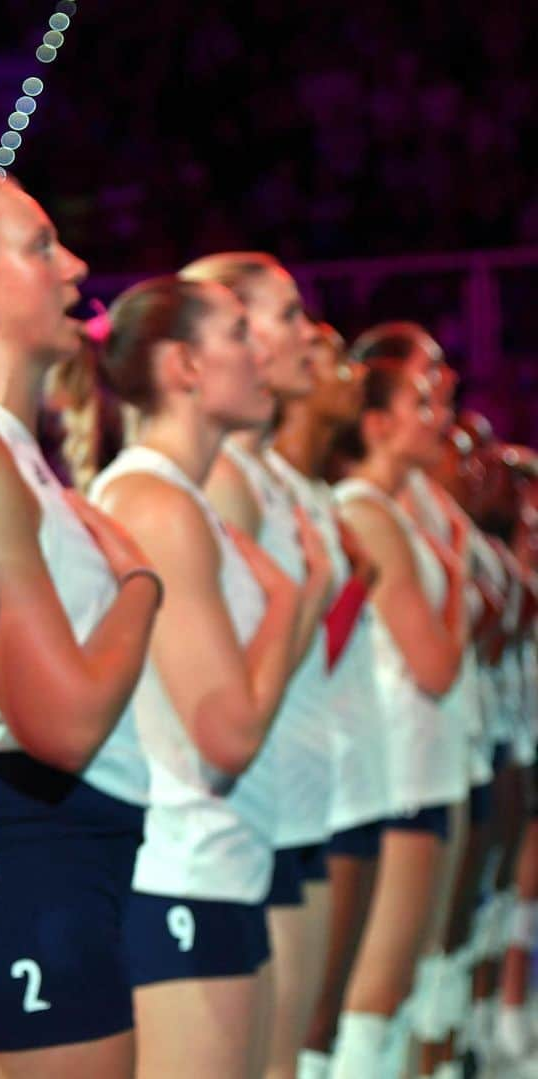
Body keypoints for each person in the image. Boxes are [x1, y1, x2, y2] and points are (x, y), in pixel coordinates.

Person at [0, 172, 160, 1079]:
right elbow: (61, 720)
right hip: (36, 843)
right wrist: (140, 584)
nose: (76, 267)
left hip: (70, 846)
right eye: (43, 246)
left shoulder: (10, 447)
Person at [90, 274, 328, 1078]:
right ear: (186, 366)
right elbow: (227, 734)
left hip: (220, 862)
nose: (258, 354)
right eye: (237, 333)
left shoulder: (178, 495)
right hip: (181, 871)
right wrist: (296, 598)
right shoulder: (156, 501)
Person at [184, 253, 334, 1079]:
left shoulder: (259, 474)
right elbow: (229, 694)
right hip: (238, 820)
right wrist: (303, 594)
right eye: (279, 314)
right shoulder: (221, 480)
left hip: (289, 798)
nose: (305, 332)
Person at [330, 356, 469, 1076]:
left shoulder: (400, 509)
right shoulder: (366, 509)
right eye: (421, 404)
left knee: (409, 979)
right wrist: (460, 577)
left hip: (428, 761)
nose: (441, 418)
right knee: (374, 993)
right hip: (400, 768)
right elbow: (438, 665)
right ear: (376, 422)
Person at [267, 323, 393, 1079]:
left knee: (323, 1016)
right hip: (294, 779)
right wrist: (347, 582)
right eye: (332, 358)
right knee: (304, 1028)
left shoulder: (309, 490)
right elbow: (306, 645)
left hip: (330, 768)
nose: (349, 373)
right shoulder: (269, 488)